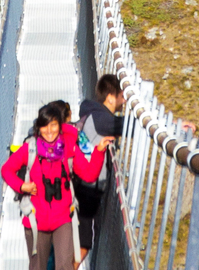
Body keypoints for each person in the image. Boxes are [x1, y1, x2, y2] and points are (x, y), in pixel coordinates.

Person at [2, 103, 109, 270]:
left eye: (53, 125)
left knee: (65, 266)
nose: (49, 130)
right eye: (45, 126)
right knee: (37, 267)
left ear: (60, 126)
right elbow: (6, 170)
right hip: (35, 220)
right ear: (39, 128)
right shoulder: (30, 148)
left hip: (63, 219)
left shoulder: (69, 148)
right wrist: (22, 186)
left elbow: (89, 174)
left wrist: (99, 152)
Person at [73, 79, 124, 265]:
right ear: (111, 97)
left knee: (73, 239)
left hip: (77, 184)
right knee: (84, 243)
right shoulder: (102, 120)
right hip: (87, 189)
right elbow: (131, 125)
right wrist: (173, 125)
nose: (124, 100)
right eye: (122, 96)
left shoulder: (89, 112)